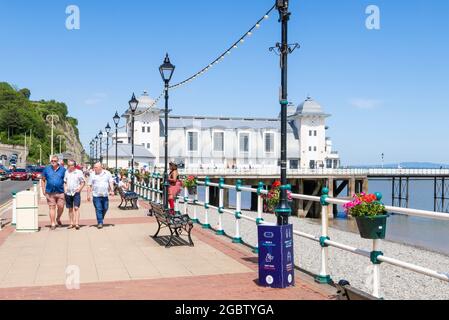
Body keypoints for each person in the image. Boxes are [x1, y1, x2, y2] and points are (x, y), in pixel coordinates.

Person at [41, 155, 67, 230]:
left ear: (57, 161)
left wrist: (66, 190)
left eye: (55, 161)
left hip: (60, 192)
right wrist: (43, 190)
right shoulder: (46, 169)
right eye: (52, 161)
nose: (53, 162)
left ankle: (58, 218)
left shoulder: (63, 170)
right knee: (52, 207)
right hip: (50, 192)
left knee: (61, 207)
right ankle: (53, 223)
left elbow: (66, 180)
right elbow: (43, 180)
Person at [87, 162, 115, 229]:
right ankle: (100, 222)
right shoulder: (92, 174)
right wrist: (88, 195)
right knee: (98, 209)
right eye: (94, 167)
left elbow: (111, 182)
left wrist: (112, 190)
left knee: (105, 208)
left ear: (100, 167)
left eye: (96, 167)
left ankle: (100, 218)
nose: (94, 168)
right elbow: (89, 185)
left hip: (105, 195)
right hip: (96, 195)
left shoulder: (107, 173)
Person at [64, 160, 85, 230]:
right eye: (68, 165)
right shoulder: (66, 172)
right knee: (70, 209)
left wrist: (79, 189)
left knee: (76, 208)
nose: (70, 166)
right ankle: (71, 223)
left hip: (76, 192)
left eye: (71, 165)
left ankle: (77, 223)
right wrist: (65, 189)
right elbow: (65, 181)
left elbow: (83, 182)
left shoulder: (79, 172)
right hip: (68, 193)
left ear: (74, 165)